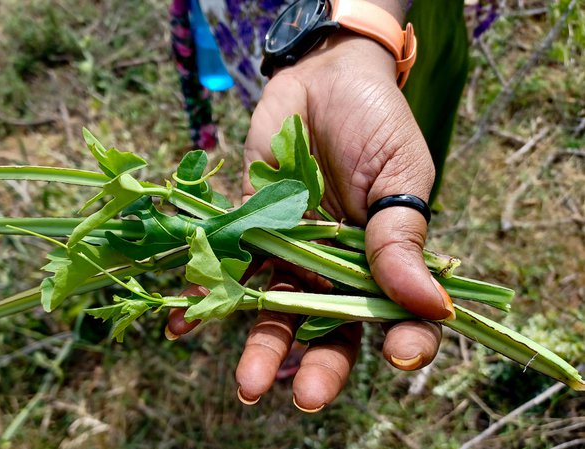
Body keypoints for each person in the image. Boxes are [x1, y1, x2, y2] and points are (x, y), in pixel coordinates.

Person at [167, 0, 473, 412]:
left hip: (398, 16)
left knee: (395, 172)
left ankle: (389, 247)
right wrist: (311, 49)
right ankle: (340, 284)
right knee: (286, 111)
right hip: (283, 37)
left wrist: (361, 32)